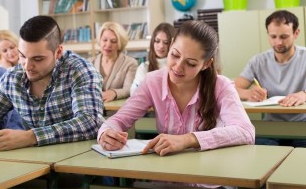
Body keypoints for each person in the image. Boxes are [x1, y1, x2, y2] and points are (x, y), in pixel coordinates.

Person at [98, 20, 255, 159]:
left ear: (206, 64)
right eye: (175, 55)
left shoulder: (221, 86)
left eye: (191, 63)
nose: (178, 67)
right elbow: (119, 120)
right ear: (171, 44)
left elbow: (245, 132)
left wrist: (188, 139)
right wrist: (106, 133)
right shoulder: (153, 81)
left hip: (209, 178)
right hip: (167, 177)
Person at [0, 15, 103, 151]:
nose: (27, 66)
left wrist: (30, 137)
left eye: (38, 59)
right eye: (22, 56)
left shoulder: (79, 70)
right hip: (38, 164)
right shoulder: (13, 78)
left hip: (80, 162)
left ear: (58, 52)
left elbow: (90, 122)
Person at [235, 10, 306, 147]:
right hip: (271, 127)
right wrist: (248, 94)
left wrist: (304, 94)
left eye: (284, 36)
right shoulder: (258, 61)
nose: (278, 42)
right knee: (259, 157)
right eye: (273, 36)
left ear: (296, 33)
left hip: (302, 126)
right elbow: (232, 89)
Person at [89, 21, 138, 102]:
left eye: (113, 41)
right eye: (104, 40)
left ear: (119, 43)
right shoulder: (89, 63)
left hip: (117, 110)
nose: (108, 45)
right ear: (100, 40)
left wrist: (114, 93)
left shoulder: (130, 63)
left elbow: (129, 88)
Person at [130, 22, 176, 95]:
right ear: (152, 42)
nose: (161, 46)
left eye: (166, 42)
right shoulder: (144, 67)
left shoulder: (177, 67)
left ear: (173, 44)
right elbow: (134, 92)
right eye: (157, 41)